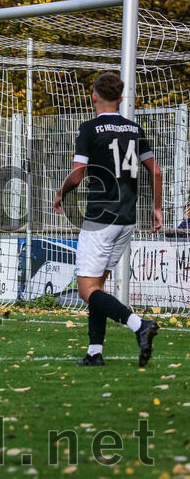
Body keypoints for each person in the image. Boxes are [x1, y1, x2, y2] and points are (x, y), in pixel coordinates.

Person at [53, 72, 162, 367]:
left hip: (101, 218)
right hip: (127, 219)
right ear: (122, 99)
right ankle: (94, 353)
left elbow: (77, 174)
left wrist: (60, 193)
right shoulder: (134, 129)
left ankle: (139, 326)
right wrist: (158, 209)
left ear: (94, 97)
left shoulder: (89, 128)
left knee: (87, 290)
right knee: (98, 285)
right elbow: (156, 171)